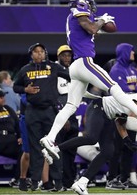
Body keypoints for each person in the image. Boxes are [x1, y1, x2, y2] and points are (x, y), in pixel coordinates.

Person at [40, 0, 137, 159]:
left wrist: (101, 23)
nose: (91, 7)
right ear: (83, 4)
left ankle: (50, 138)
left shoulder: (76, 19)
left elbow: (98, 29)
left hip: (77, 66)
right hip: (84, 62)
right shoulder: (78, 14)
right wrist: (102, 20)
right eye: (89, 4)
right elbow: (91, 27)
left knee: (70, 105)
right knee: (114, 87)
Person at [43, 92, 137, 195]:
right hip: (99, 107)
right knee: (91, 138)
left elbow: (121, 121)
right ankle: (54, 148)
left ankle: (82, 182)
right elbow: (131, 120)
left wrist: (126, 139)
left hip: (109, 116)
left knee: (108, 151)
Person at [13, 43, 70, 191]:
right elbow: (15, 87)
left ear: (45, 53)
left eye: (41, 52)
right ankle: (35, 180)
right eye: (36, 52)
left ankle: (58, 181)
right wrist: (25, 89)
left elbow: (70, 76)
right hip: (32, 111)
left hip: (50, 111)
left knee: (53, 146)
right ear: (31, 54)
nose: (39, 54)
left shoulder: (53, 67)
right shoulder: (25, 69)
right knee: (35, 147)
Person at [106, 43, 137, 190]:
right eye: (131, 51)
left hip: (132, 113)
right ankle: (112, 179)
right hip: (119, 114)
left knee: (130, 147)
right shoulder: (116, 70)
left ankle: (124, 179)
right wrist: (133, 88)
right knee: (117, 148)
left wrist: (133, 88)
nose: (133, 53)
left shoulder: (132, 70)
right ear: (124, 52)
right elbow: (119, 92)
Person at [54, 44, 79, 190]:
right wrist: (63, 116)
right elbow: (57, 96)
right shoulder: (55, 72)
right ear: (58, 57)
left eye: (69, 55)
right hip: (62, 115)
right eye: (63, 55)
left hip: (74, 114)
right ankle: (59, 181)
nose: (66, 57)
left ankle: (69, 181)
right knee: (60, 150)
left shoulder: (75, 71)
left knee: (71, 150)